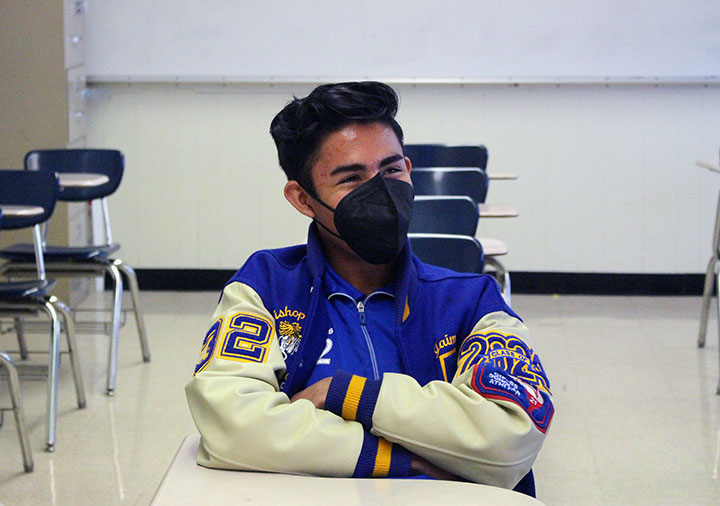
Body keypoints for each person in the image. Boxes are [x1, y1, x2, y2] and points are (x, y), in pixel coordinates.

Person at [185, 81, 553, 495]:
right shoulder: (267, 286)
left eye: (391, 170)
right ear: (303, 199)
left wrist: (344, 394)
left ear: (409, 171)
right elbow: (231, 426)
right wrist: (404, 461)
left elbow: (510, 439)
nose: (381, 192)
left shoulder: (470, 301)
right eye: (352, 178)